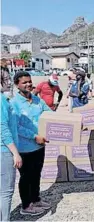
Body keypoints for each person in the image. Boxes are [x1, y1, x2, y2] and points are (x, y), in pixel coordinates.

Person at [11, 71, 52, 216]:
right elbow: (17, 127)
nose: (28, 84)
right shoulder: (14, 103)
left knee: (36, 174)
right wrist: (34, 136)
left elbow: (49, 114)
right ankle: (26, 205)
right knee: (26, 176)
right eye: (24, 82)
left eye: (29, 81)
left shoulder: (37, 100)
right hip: (25, 147)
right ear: (17, 85)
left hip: (40, 146)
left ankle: (36, 199)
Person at [1, 89, 22, 221]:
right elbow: (2, 128)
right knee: (5, 192)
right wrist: (15, 153)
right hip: (4, 150)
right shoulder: (1, 100)